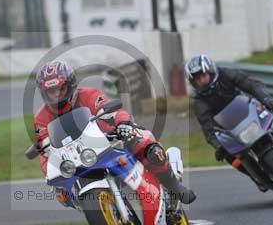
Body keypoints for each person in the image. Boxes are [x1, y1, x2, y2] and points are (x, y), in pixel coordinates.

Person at [33, 60, 196, 205]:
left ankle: (175, 187)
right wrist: (50, 172)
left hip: (109, 143)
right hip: (77, 162)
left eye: (60, 89)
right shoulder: (41, 117)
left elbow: (110, 111)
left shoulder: (88, 95)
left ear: (70, 85)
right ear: (44, 93)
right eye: (51, 91)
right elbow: (44, 148)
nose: (56, 95)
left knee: (144, 142)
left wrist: (123, 123)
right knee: (63, 194)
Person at [185, 54, 273, 189]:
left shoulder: (227, 74)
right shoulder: (199, 101)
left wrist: (266, 98)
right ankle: (256, 176)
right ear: (194, 82)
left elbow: (251, 84)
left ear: (211, 71)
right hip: (230, 129)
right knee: (229, 154)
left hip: (249, 112)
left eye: (203, 75)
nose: (202, 80)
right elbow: (207, 127)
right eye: (198, 79)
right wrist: (218, 146)